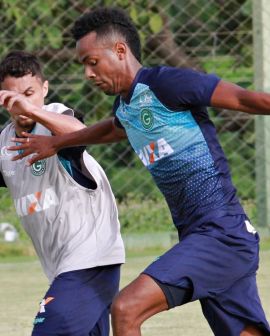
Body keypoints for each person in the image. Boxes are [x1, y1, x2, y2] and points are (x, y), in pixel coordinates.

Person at [4, 7, 270, 336]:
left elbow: (247, 100)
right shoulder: (126, 107)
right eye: (83, 65)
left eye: (92, 62)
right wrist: (56, 144)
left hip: (220, 234)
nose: (88, 73)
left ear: (120, 50)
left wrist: (58, 142)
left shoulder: (167, 83)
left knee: (127, 308)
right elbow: (108, 130)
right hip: (205, 236)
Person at [0, 50, 125, 336]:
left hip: (91, 258)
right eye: (11, 97)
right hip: (63, 268)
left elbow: (81, 131)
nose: (20, 103)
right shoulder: (5, 145)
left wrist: (31, 109)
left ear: (44, 89)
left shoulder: (56, 119)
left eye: (29, 93)